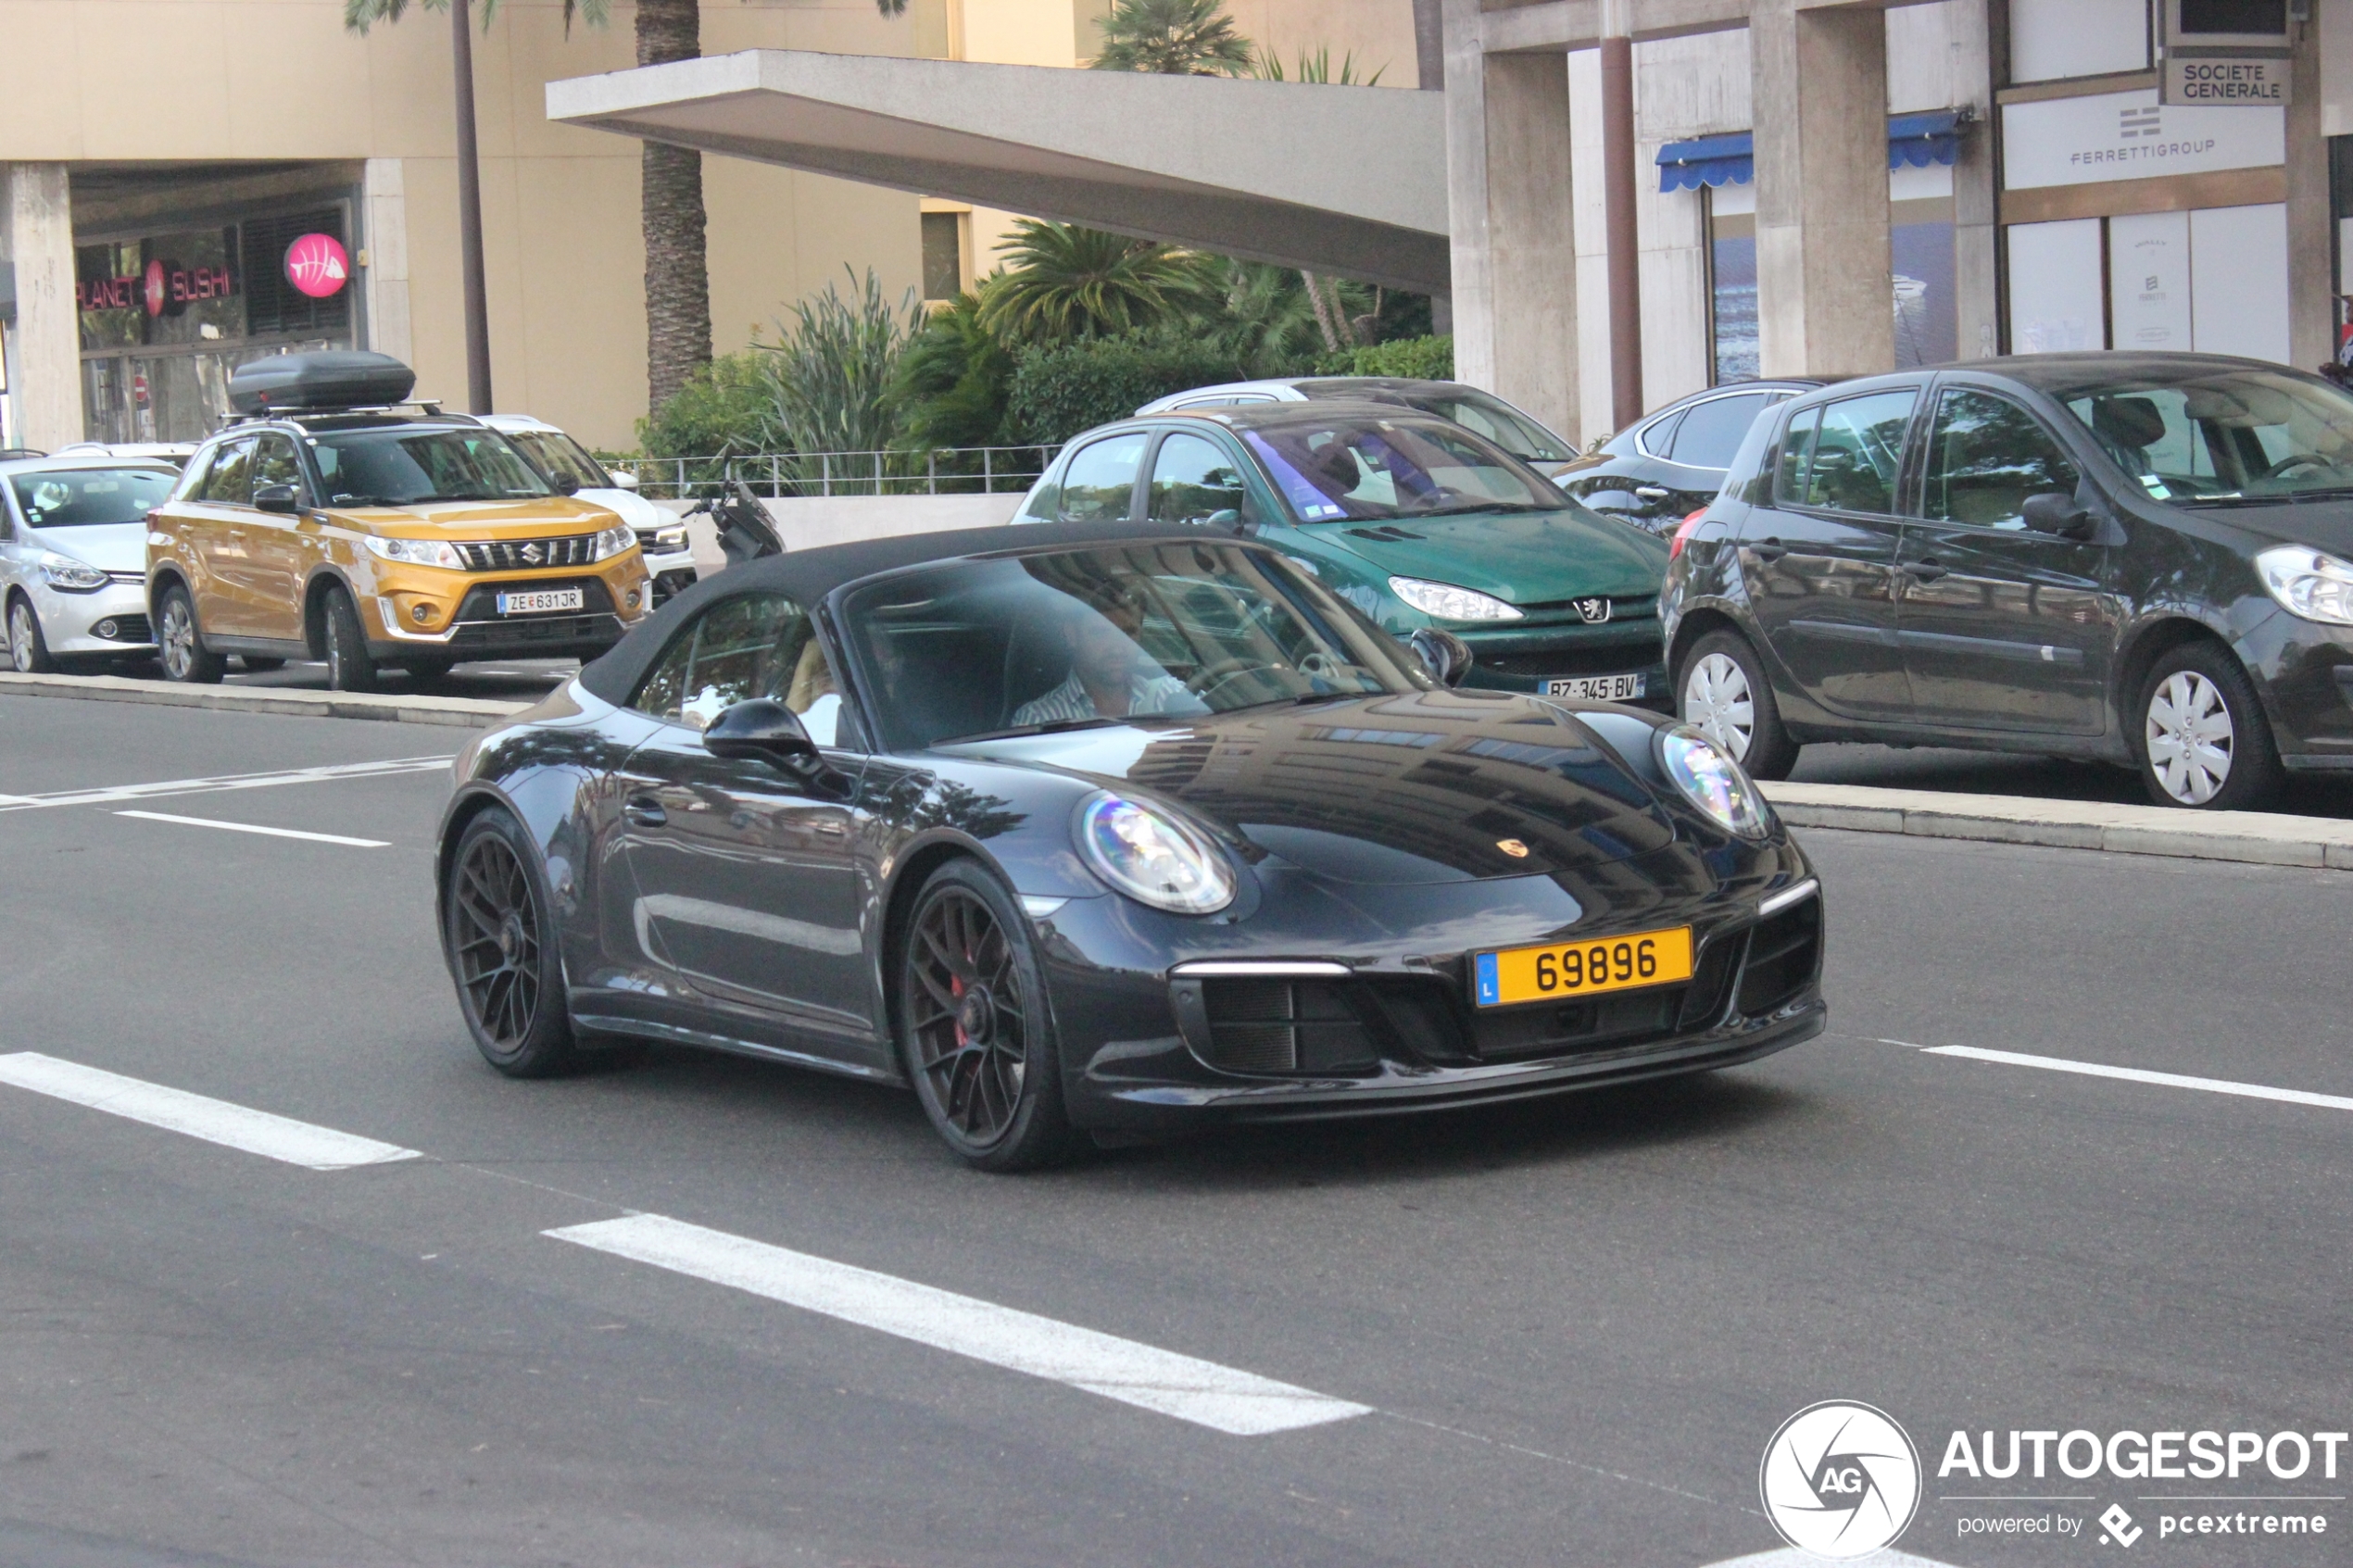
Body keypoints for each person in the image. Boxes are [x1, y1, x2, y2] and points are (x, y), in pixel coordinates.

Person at [1011, 583, 1203, 726]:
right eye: (1101, 633)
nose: (1118, 648)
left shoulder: (1170, 695)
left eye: (1128, 633)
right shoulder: (1039, 719)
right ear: (1071, 634)